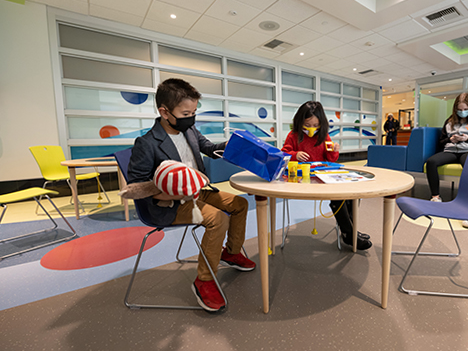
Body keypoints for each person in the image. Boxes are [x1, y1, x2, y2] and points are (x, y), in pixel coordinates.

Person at [128, 78, 256, 313]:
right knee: (218, 219)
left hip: (199, 194)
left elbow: (209, 148)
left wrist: (234, 145)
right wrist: (167, 191)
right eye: (186, 112)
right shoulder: (146, 143)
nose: (191, 117)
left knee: (238, 204)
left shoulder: (189, 130)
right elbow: (136, 186)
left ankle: (232, 253)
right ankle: (204, 281)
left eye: (194, 111)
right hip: (169, 203)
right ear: (164, 112)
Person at [281, 101, 372, 250]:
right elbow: (283, 154)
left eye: (315, 125)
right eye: (307, 125)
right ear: (299, 121)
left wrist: (334, 150)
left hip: (323, 175)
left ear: (321, 123)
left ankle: (350, 229)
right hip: (301, 179)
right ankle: (348, 234)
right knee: (340, 196)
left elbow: (331, 160)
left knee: (351, 192)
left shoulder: (323, 135)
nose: (311, 129)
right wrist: (295, 154)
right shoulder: (293, 135)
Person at [424, 92, 468, 229]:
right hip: (451, 151)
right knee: (431, 162)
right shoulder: (449, 121)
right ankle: (435, 197)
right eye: (459, 110)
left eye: (465, 109)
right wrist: (450, 139)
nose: (462, 112)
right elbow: (441, 141)